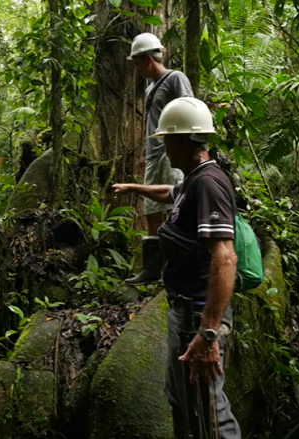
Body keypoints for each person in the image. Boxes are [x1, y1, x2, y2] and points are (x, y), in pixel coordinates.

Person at [113, 97, 241, 439]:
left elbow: (225, 257)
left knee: (208, 405)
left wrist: (209, 332)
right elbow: (169, 192)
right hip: (184, 311)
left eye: (167, 140)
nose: (165, 149)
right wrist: (133, 187)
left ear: (184, 140)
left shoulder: (209, 183)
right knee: (181, 397)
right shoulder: (193, 180)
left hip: (199, 316)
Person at [125, 32, 193, 285]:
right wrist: (145, 153)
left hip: (172, 152)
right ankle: (152, 269)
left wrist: (186, 152)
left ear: (146, 59)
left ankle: (179, 268)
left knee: (177, 206)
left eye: (136, 62)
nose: (136, 68)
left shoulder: (175, 79)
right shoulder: (150, 87)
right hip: (154, 154)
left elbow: (189, 110)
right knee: (152, 210)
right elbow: (151, 124)